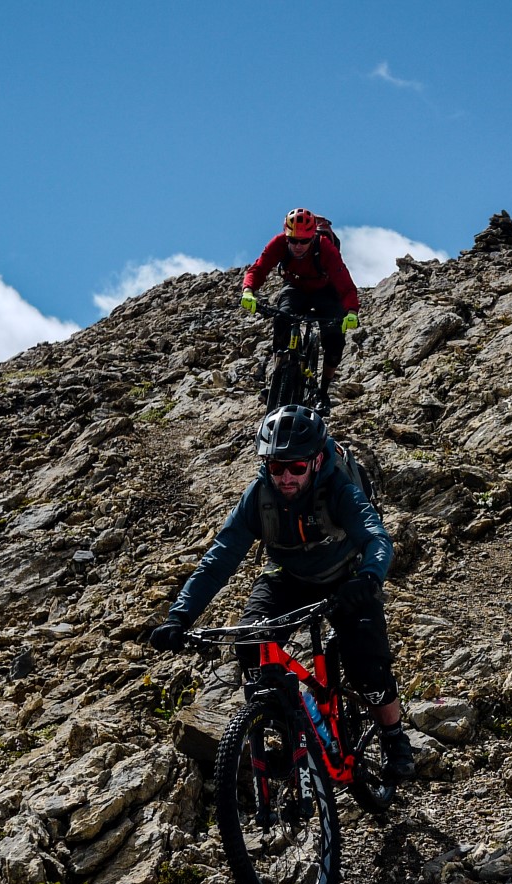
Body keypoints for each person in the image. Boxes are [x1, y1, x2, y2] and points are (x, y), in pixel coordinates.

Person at [149, 404, 414, 780]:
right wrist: (180, 616)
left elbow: (375, 538)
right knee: (251, 645)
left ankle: (393, 736)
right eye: (276, 467)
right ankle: (284, 723)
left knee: (368, 669)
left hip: (348, 578)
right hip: (285, 576)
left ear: (317, 460)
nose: (286, 477)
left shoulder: (338, 489)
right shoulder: (259, 497)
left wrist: (369, 577)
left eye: (296, 467)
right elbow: (220, 558)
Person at [240, 208, 361, 406]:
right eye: (293, 240)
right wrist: (248, 290)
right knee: (282, 321)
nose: (298, 246)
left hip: (326, 290)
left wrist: (351, 312)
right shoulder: (278, 243)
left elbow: (346, 286)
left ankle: (322, 392)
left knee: (334, 343)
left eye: (304, 241)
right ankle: (278, 378)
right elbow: (258, 269)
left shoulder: (326, 249)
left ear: (313, 237)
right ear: (286, 236)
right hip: (294, 286)